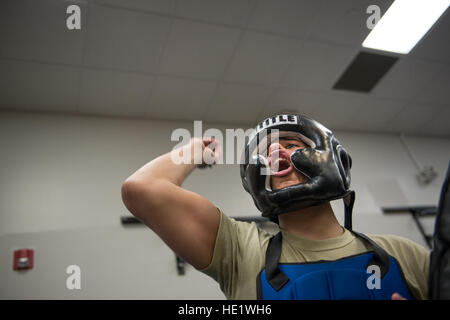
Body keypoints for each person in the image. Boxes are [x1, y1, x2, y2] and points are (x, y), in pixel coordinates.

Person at [121, 114, 429, 300]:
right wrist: (191, 151)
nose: (276, 154)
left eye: (293, 144)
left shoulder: (405, 255)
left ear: (337, 161)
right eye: (265, 153)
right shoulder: (239, 250)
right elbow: (142, 190)